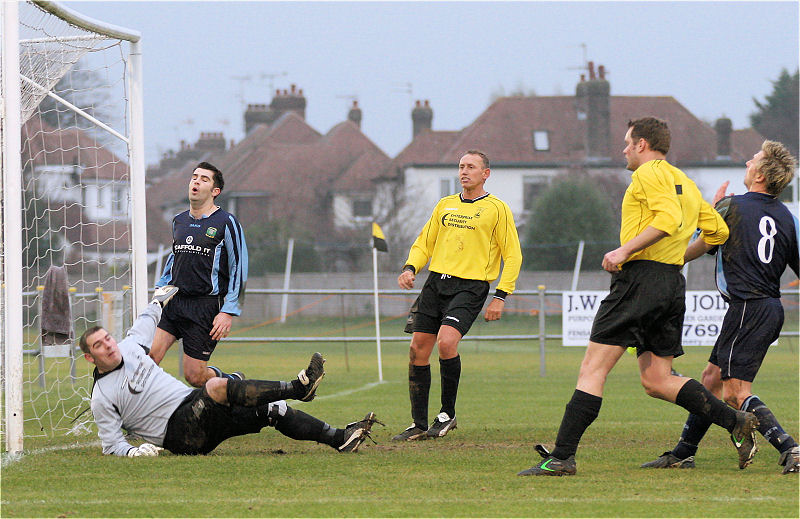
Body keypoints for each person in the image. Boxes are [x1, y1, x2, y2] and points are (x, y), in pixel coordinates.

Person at [517, 117, 759, 477]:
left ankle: (562, 457)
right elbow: (717, 232)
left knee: (592, 369)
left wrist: (622, 252)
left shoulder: (648, 173)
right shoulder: (686, 183)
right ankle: (734, 421)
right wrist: (678, 258)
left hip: (640, 281)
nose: (624, 150)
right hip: (671, 285)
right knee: (657, 380)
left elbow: (666, 218)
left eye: (628, 143)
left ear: (644, 144)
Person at [642, 140, 799, 474]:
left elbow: (703, 244)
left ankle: (791, 448)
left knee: (735, 393)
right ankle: (684, 452)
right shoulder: (789, 218)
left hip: (748, 308)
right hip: (767, 308)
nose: (747, 161)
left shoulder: (732, 206)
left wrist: (667, 258)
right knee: (710, 379)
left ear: (760, 174)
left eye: (752, 159)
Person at [80, 285, 382, 457]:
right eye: (99, 346)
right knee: (217, 386)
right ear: (90, 358)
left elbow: (151, 312)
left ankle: (339, 438)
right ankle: (298, 388)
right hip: (180, 434)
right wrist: (132, 453)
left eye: (107, 338)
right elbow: (111, 445)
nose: (108, 345)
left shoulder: (131, 345)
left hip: (194, 407)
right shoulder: (103, 397)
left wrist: (163, 293)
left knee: (271, 409)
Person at [392, 150, 522, 441]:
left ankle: (447, 414)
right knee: (417, 350)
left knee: (447, 341)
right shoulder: (445, 205)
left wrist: (501, 295)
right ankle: (419, 423)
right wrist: (410, 267)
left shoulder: (497, 209)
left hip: (470, 286)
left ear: (485, 173)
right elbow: (424, 242)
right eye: (461, 166)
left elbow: (512, 255)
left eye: (471, 167)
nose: (464, 172)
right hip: (436, 284)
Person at [150, 161, 248, 387]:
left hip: (205, 307)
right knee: (148, 357)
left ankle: (232, 382)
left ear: (215, 192)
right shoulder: (179, 220)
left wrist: (228, 311)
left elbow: (239, 268)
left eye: (204, 179)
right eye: (194, 176)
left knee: (194, 376)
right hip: (174, 301)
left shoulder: (227, 222)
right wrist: (160, 292)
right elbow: (174, 258)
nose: (196, 181)